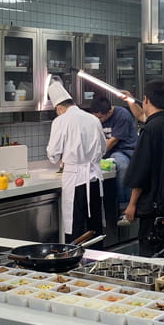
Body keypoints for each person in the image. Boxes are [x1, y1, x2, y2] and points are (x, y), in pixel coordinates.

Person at [122, 79, 164, 256]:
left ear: (146, 100)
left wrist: (132, 204)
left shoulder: (149, 130)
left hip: (151, 203)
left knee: (150, 253)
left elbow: (141, 171)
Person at [45, 80, 106, 243]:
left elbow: (53, 153)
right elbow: (103, 148)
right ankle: (97, 257)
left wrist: (63, 160)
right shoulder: (93, 119)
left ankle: (75, 258)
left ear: (59, 108)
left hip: (75, 180)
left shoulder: (60, 121)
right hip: (94, 179)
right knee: (94, 229)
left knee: (76, 229)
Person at [90, 95, 138, 207]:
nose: (98, 121)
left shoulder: (122, 115)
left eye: (100, 118)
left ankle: (124, 205)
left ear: (109, 112)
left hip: (125, 150)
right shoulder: (95, 119)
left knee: (122, 166)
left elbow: (113, 141)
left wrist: (95, 156)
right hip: (107, 152)